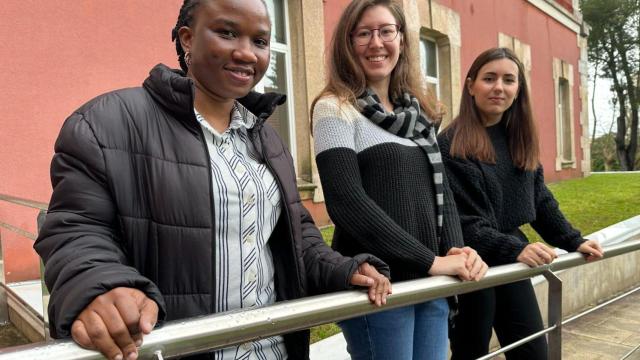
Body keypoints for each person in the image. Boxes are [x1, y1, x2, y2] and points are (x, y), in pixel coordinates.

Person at [33, 1, 393, 359]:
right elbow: (77, 229)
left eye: (261, 41)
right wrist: (98, 286)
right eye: (227, 33)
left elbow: (298, 240)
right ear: (187, 39)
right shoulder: (107, 123)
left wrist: (344, 268)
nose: (246, 53)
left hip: (274, 351)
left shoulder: (266, 139)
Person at [311, 1, 488, 359]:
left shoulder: (419, 112)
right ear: (348, 43)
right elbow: (347, 203)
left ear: (402, 41)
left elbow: (441, 192)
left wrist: (455, 249)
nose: (376, 43)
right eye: (364, 33)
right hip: (379, 284)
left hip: (431, 282)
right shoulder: (334, 107)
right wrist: (431, 260)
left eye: (386, 31)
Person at [437, 47, 604, 359]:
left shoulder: (518, 138)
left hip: (509, 258)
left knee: (532, 350)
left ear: (518, 90)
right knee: (471, 350)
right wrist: (515, 249)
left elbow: (539, 199)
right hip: (471, 262)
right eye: (489, 78)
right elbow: (461, 221)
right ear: (471, 85)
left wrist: (572, 239)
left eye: (508, 80)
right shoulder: (451, 144)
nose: (499, 87)